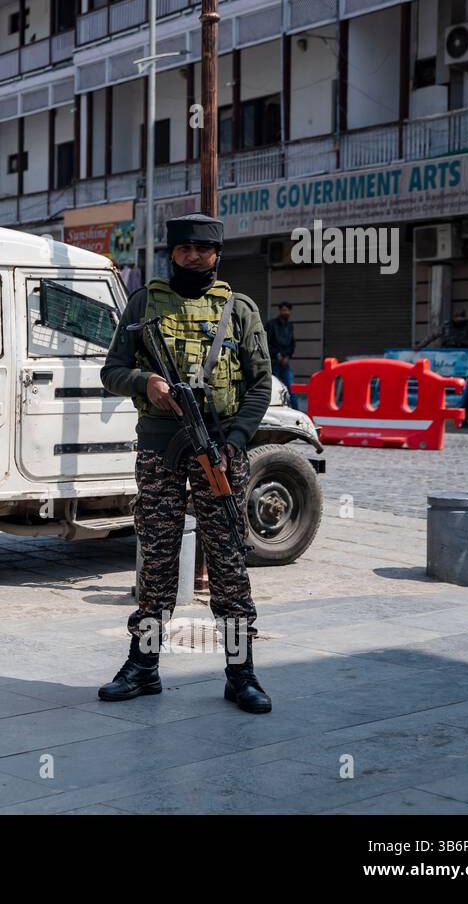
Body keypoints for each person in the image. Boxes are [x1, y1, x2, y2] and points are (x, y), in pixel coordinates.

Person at [99, 212, 274, 714]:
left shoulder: (238, 310)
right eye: (184, 249)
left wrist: (237, 439)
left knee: (228, 563)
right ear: (171, 252)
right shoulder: (143, 303)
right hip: (160, 450)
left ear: (217, 254)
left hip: (220, 450)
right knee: (156, 558)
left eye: (204, 249)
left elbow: (260, 383)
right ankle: (143, 666)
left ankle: (241, 674)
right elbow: (111, 370)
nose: (193, 256)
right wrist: (144, 383)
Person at [265, 302, 296, 391]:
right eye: (284, 310)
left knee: (290, 386)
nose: (286, 312)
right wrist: (278, 355)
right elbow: (266, 342)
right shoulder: (271, 324)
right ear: (280, 311)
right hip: (273, 361)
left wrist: (287, 356)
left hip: (285, 361)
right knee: (273, 387)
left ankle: (293, 406)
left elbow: (292, 344)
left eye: (288, 310)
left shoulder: (290, 326)